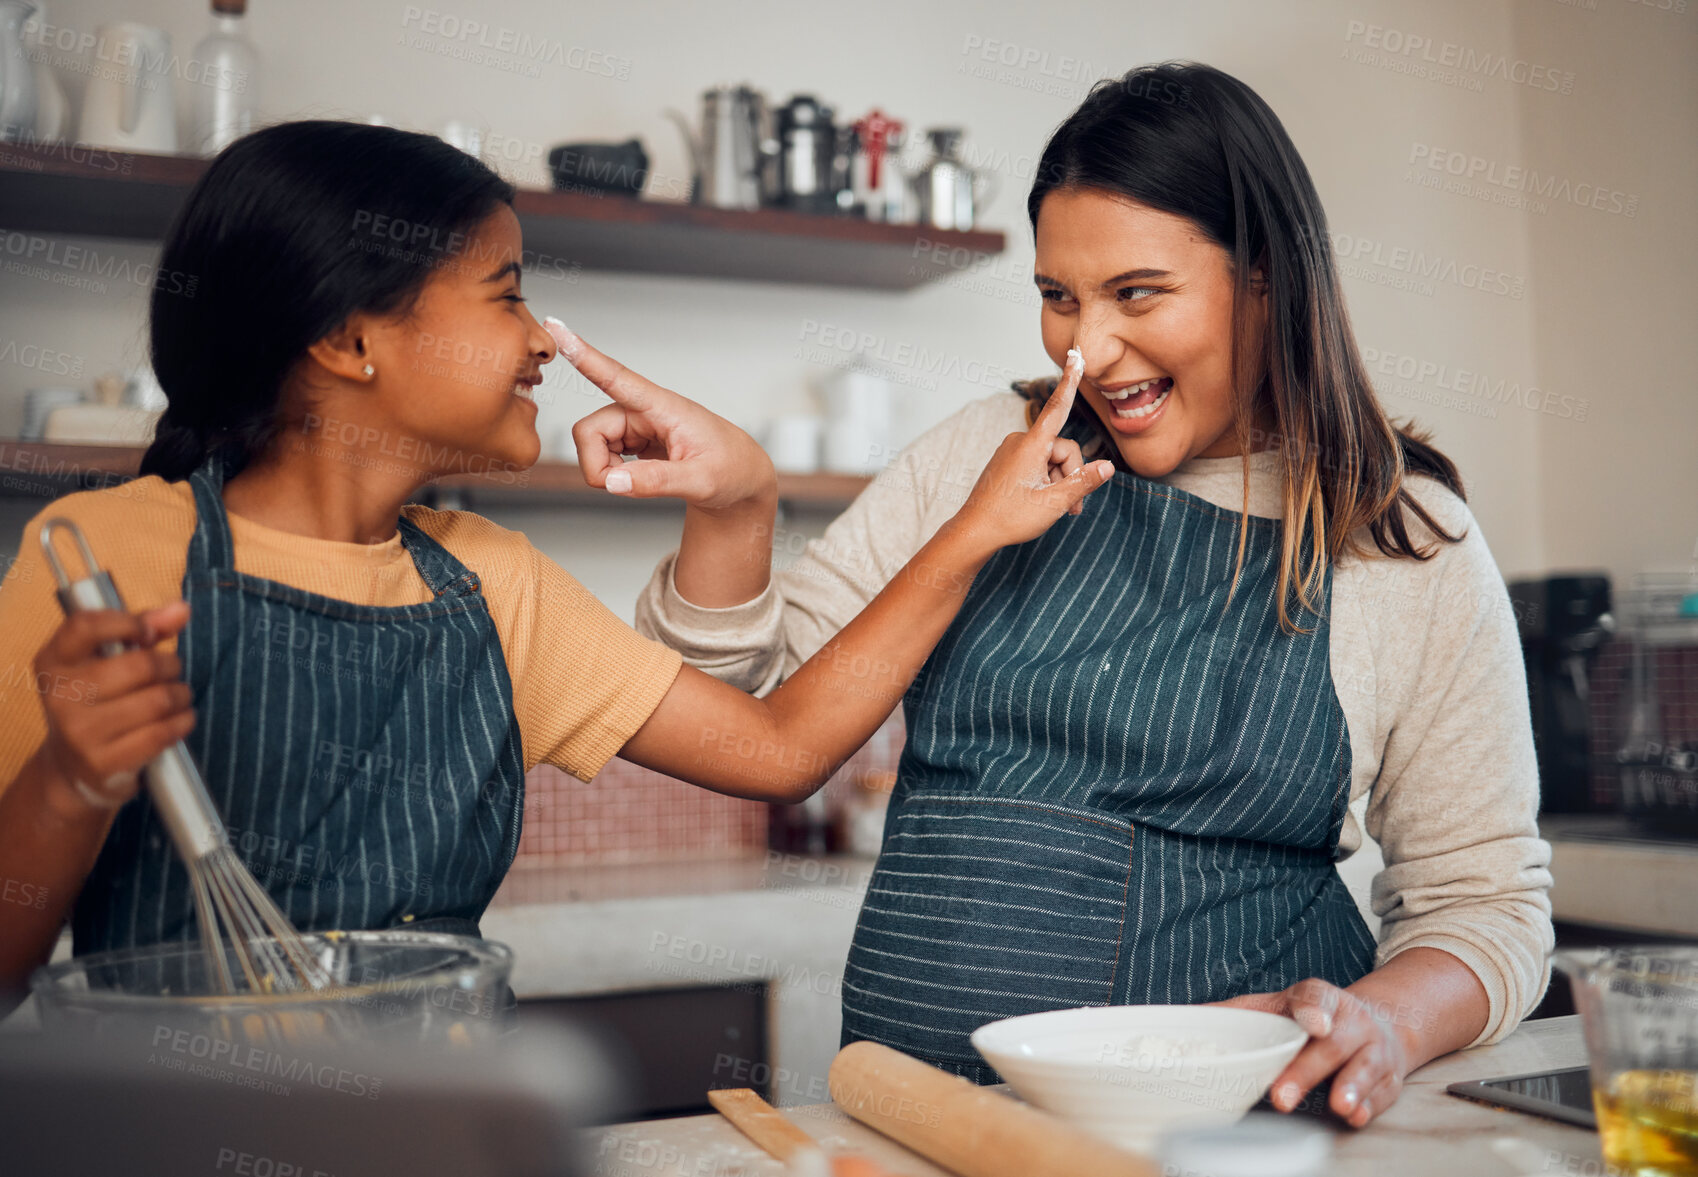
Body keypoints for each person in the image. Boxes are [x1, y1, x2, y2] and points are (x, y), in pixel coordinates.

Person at [596, 63, 1554, 1127]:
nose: (1086, 350)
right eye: (1059, 297)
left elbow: (1485, 906)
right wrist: (734, 509)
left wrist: (1385, 1020)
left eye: (1137, 293)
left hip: (1232, 1135)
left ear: (1267, 278)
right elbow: (740, 711)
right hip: (924, 1129)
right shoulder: (982, 455)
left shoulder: (1400, 540)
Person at [0, 120, 1115, 1009]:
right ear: (349, 341)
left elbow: (781, 750)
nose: (542, 340)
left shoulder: (496, 581)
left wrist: (881, 515)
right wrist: (72, 780)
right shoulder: (113, 557)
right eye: (506, 294)